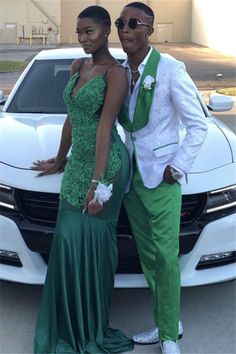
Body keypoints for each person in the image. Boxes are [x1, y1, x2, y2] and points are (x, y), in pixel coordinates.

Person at [32, 5, 134, 354]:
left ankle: (88, 328)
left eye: (89, 31)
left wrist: (98, 182)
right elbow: (72, 119)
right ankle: (66, 324)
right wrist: (60, 159)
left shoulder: (115, 74)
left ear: (106, 30)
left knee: (92, 245)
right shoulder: (79, 66)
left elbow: (106, 127)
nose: (83, 39)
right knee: (66, 240)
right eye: (79, 32)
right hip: (77, 166)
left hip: (106, 167)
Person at [115, 2, 208, 354]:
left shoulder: (169, 69)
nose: (125, 29)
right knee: (149, 257)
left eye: (133, 23)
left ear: (149, 29)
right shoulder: (121, 71)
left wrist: (178, 166)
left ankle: (169, 336)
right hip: (132, 181)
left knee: (167, 258)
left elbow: (198, 124)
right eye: (120, 22)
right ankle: (168, 320)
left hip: (163, 178)